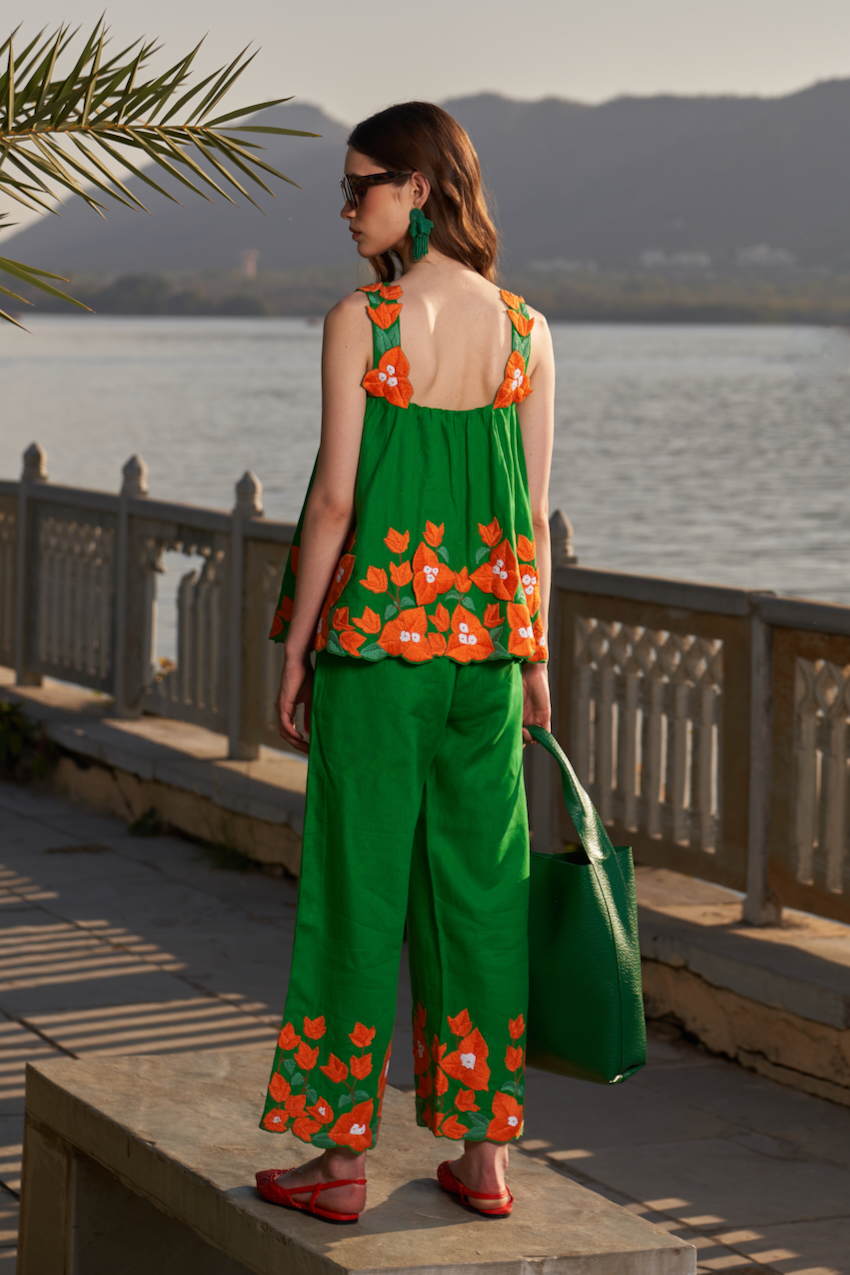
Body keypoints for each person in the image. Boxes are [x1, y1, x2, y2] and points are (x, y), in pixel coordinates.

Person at [256, 100, 554, 1223]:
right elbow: (527, 518)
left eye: (362, 185)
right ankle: (482, 1156)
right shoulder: (527, 331)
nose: (347, 209)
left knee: (355, 887)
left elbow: (336, 499)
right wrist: (532, 665)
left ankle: (336, 1162)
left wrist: (296, 647)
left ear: (419, 188)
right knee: (479, 892)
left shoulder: (366, 322)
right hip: (486, 659)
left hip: (378, 649)